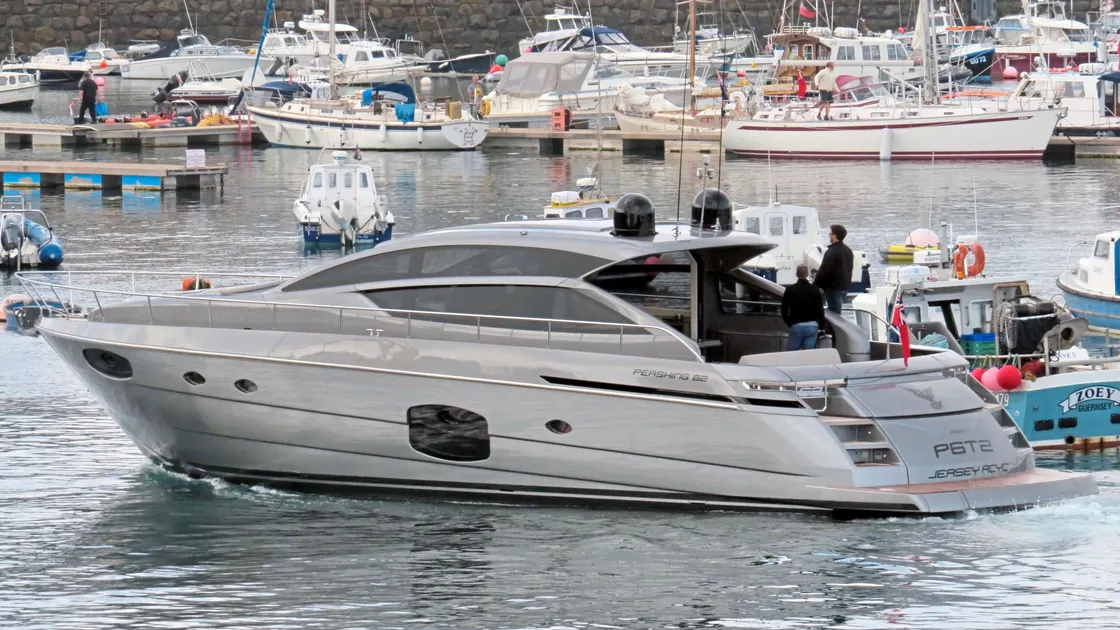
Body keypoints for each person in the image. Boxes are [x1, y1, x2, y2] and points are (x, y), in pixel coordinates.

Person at [781, 264, 824, 351]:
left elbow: (784, 310)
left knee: (791, 354)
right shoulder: (815, 289)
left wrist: (790, 323)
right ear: (807, 274)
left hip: (796, 325)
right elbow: (820, 309)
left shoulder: (790, 290)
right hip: (812, 325)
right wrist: (822, 325)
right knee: (809, 354)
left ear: (796, 274)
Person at [814, 223, 854, 314]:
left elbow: (824, 270)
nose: (829, 236)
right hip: (844, 287)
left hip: (833, 288)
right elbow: (850, 268)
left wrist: (815, 285)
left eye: (830, 234)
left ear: (834, 236)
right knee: (836, 312)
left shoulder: (831, 252)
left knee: (834, 315)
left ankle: (834, 328)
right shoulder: (848, 250)